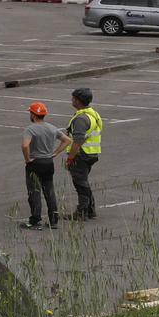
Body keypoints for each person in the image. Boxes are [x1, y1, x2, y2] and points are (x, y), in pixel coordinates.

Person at [20, 101, 65, 229]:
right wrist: (55, 153)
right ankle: (54, 220)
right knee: (49, 190)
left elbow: (25, 145)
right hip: (48, 163)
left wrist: (27, 159)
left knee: (34, 192)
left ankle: (35, 220)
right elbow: (67, 140)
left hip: (35, 163)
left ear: (33, 115)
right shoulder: (52, 128)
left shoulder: (30, 129)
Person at [64, 86, 103, 220]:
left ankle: (81, 212)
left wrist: (70, 157)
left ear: (78, 101)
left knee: (80, 184)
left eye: (73, 98)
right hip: (92, 153)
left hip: (82, 154)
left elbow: (78, 140)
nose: (71, 100)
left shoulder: (81, 118)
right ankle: (90, 210)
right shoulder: (93, 114)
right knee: (84, 182)